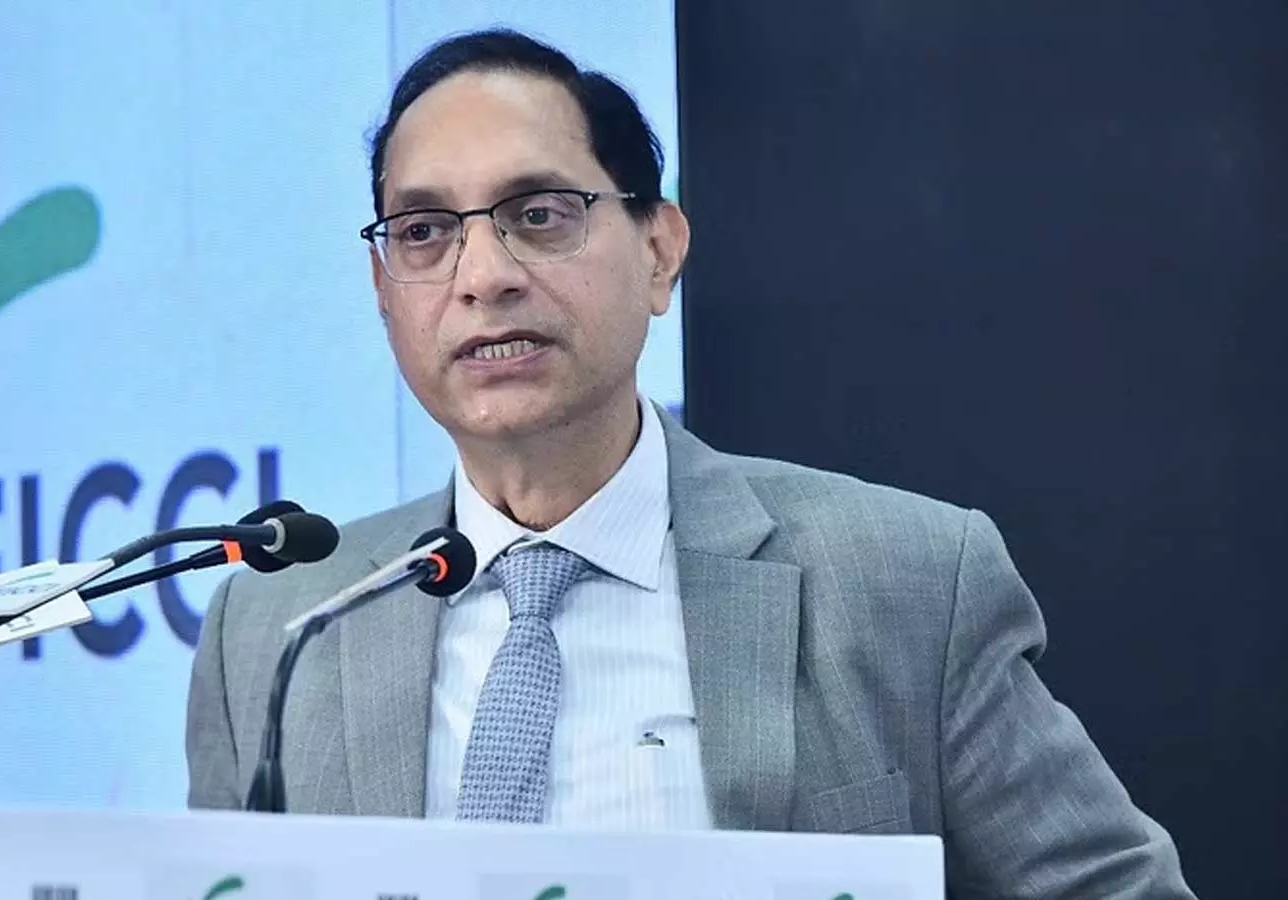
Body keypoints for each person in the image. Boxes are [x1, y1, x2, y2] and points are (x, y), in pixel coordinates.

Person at [186, 27, 1195, 898]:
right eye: (423, 232)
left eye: (539, 214)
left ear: (659, 249)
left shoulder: (908, 583)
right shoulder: (279, 629)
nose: (482, 276)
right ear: (382, 288)